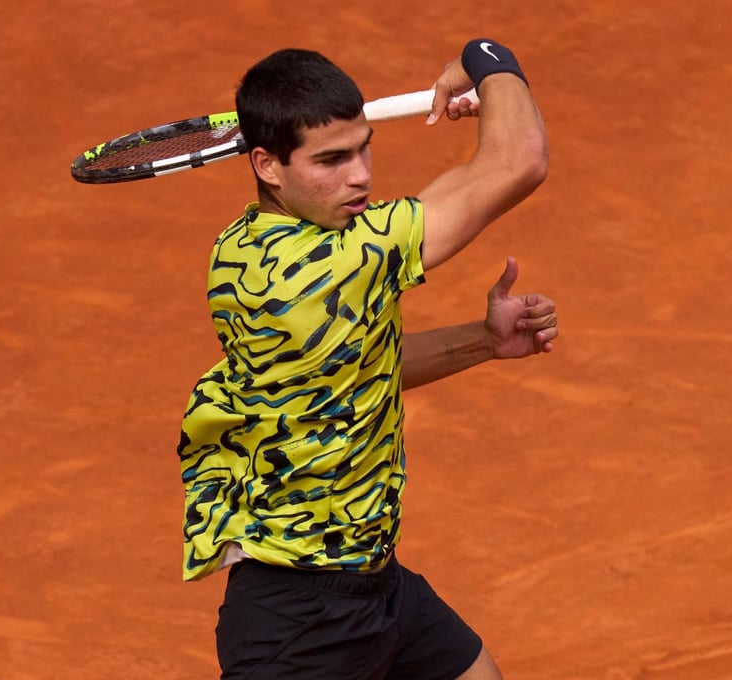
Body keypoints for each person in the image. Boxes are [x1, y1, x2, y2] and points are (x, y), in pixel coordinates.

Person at [176, 39, 550, 679]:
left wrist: (483, 341)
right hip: (300, 617)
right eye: (331, 159)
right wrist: (488, 60)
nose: (361, 177)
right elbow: (519, 161)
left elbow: (357, 372)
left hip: (375, 582)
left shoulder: (241, 251)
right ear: (267, 165)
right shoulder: (327, 267)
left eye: (362, 147)